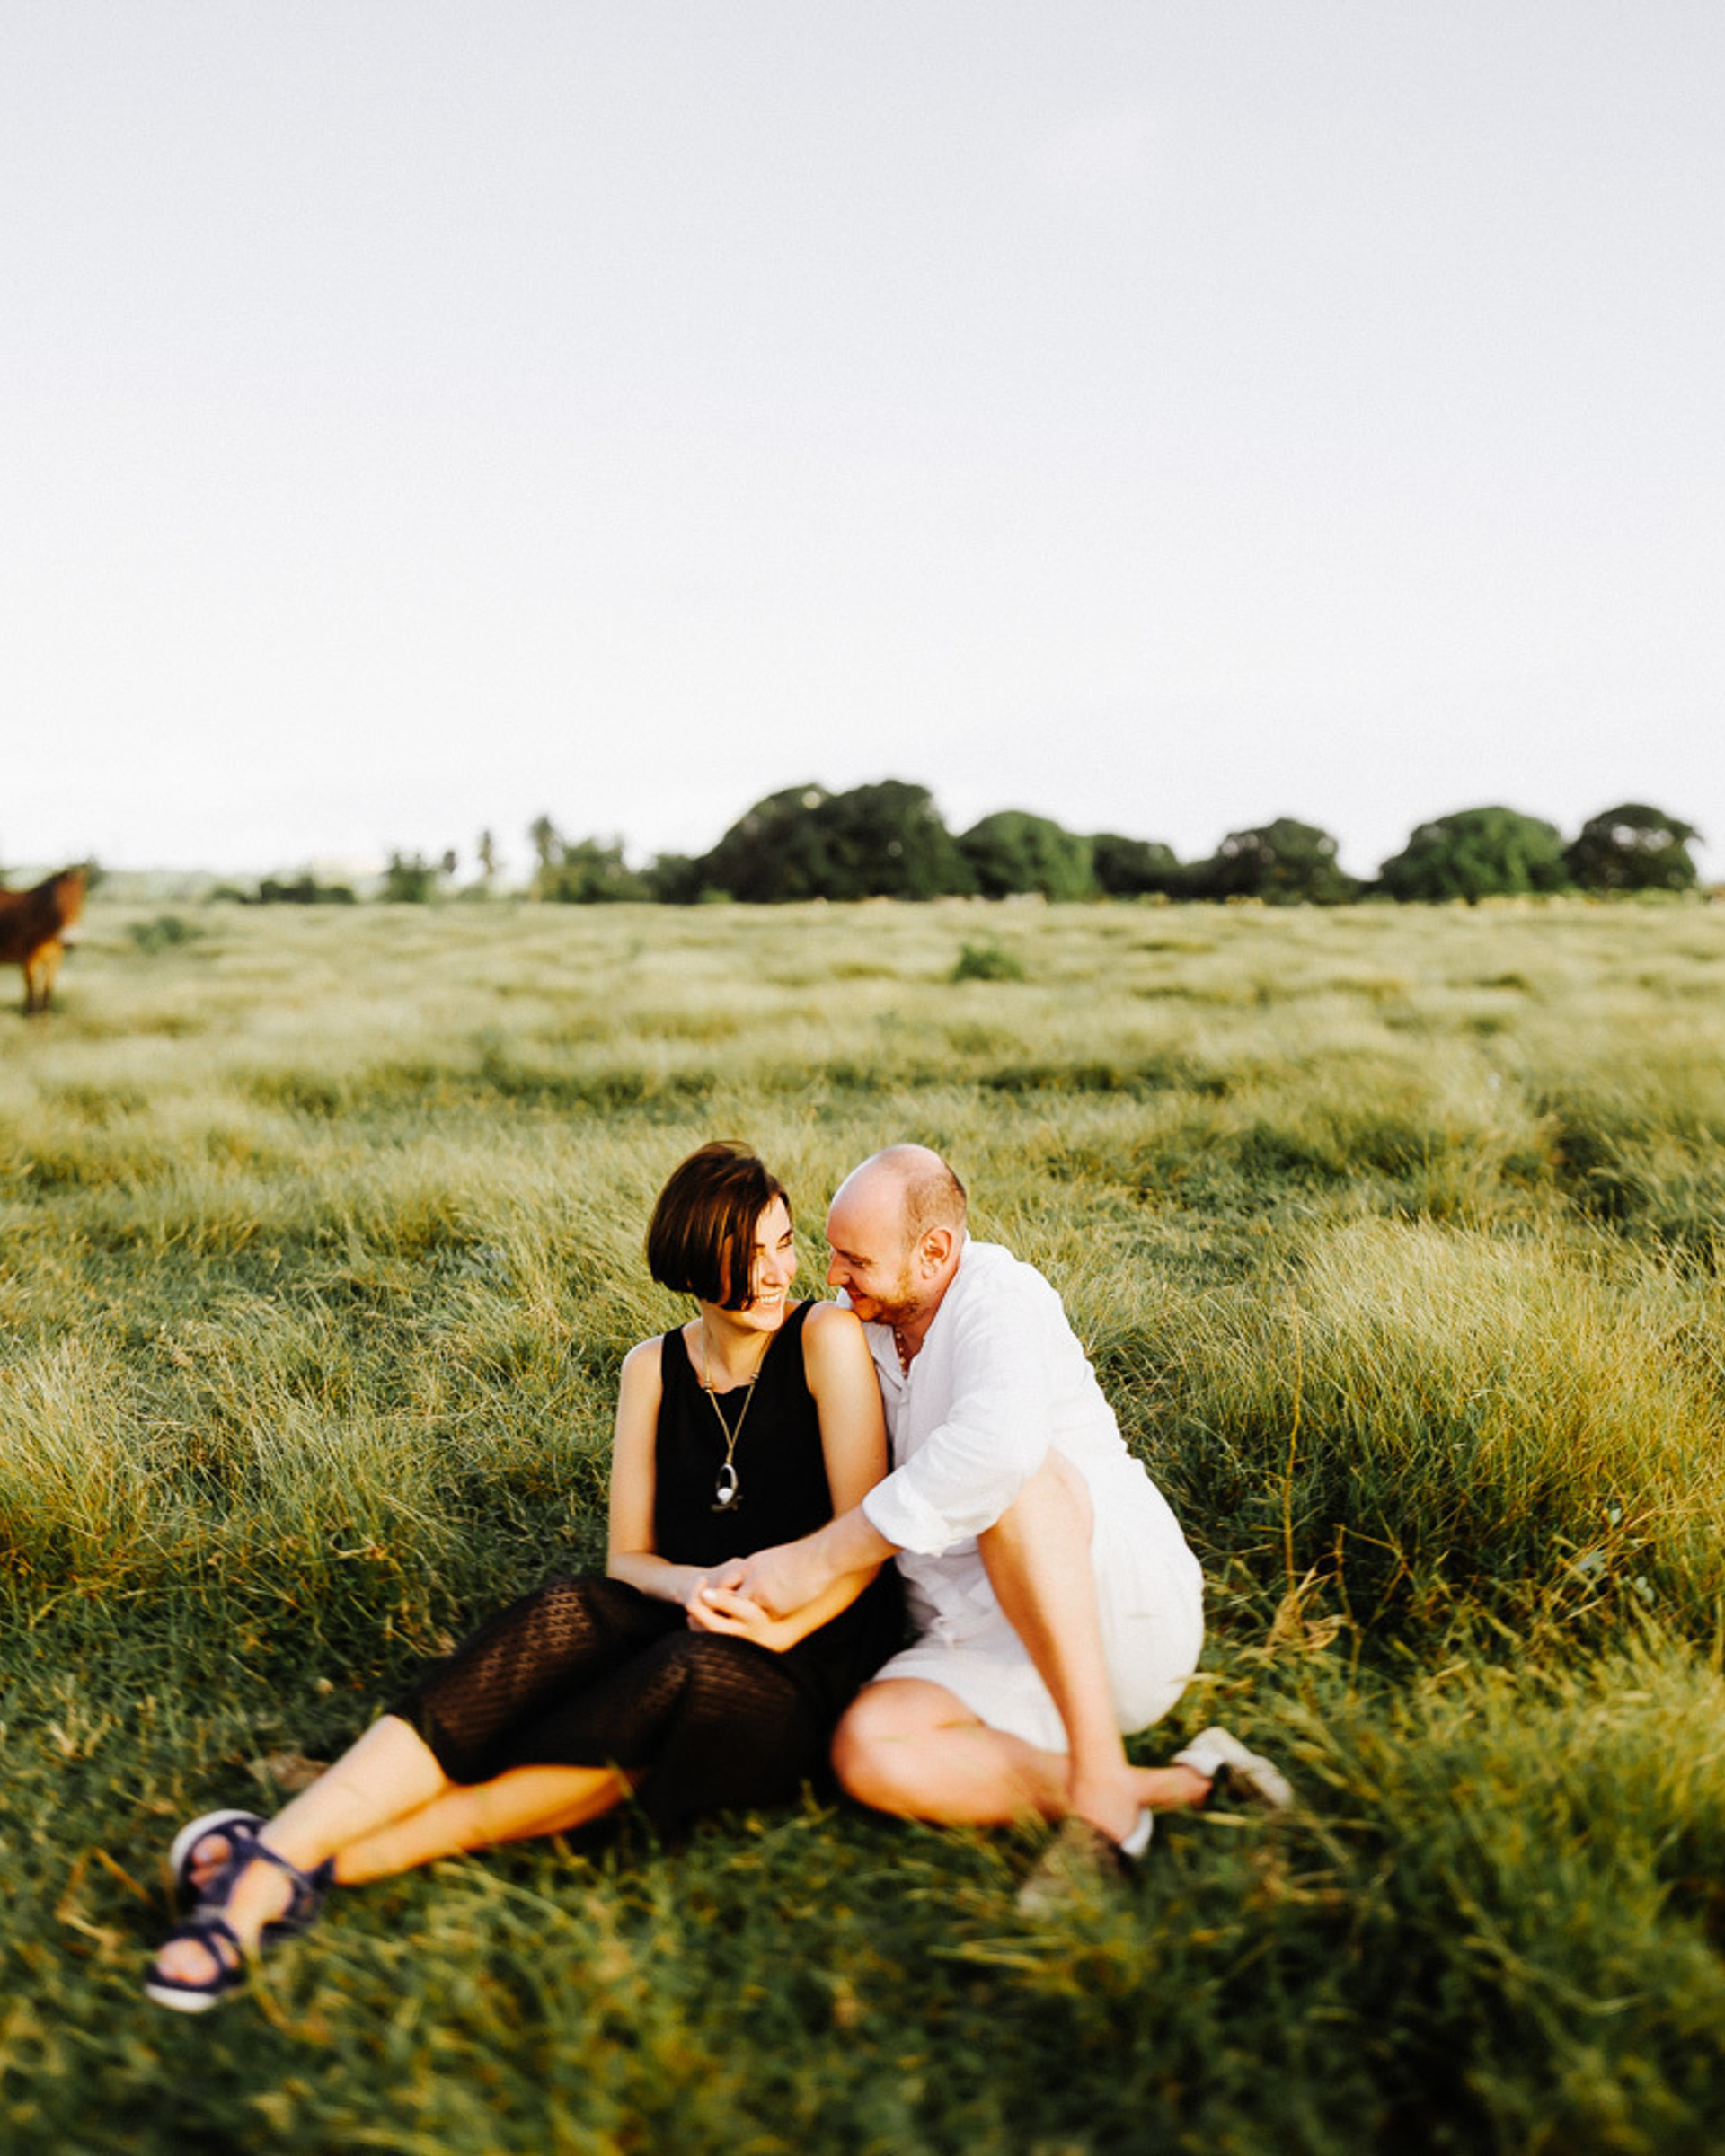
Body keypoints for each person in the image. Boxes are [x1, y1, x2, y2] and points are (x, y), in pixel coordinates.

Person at [146, 1143, 903, 2011]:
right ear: (695, 1264)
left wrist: (775, 1625)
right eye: (748, 1253)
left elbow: (864, 1540)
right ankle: (292, 1855)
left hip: (812, 1649)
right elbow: (630, 1560)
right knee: (567, 1607)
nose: (776, 1274)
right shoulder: (650, 1368)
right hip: (691, 1611)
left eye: (785, 1243)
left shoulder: (823, 1339)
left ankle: (281, 1869)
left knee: (680, 1678)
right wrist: (691, 1589)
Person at [716, 1145, 1289, 1892]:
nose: (832, 1275)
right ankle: (1182, 1783)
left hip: (1113, 1615)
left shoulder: (1001, 1296)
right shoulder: (859, 1327)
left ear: (934, 1252)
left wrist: (817, 1560)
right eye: (831, 1252)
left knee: (1015, 1479)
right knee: (870, 1752)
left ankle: (1102, 1807)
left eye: (854, 1259)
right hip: (975, 1640)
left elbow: (999, 1451)